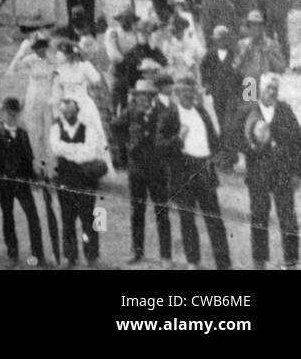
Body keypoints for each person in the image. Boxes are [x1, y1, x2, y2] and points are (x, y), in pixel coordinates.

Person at [233, 72, 301, 269]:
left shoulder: (285, 110)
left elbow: (298, 142)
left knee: (288, 219)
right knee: (259, 218)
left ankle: (290, 262)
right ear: (258, 90)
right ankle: (259, 263)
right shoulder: (247, 110)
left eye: (275, 88)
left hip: (283, 174)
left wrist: (297, 172)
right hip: (258, 175)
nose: (271, 92)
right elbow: (233, 139)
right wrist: (251, 148)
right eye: (267, 88)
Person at [112, 79, 178, 268]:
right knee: (137, 212)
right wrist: (127, 145)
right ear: (135, 97)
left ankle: (166, 256)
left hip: (158, 170)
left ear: (153, 97)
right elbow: (115, 127)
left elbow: (173, 136)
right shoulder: (130, 113)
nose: (144, 99)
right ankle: (137, 252)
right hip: (137, 170)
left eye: (148, 96)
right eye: (140, 96)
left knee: (162, 213)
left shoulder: (164, 113)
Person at [169, 76, 232, 270]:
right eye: (184, 93)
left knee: (214, 218)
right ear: (177, 94)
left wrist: (216, 156)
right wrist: (177, 139)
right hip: (182, 171)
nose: (188, 96)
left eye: (191, 92)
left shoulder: (202, 112)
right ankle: (193, 262)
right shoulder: (170, 116)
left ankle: (223, 263)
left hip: (204, 169)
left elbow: (214, 139)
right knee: (187, 219)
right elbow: (159, 146)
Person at [50, 97, 106, 268]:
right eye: (65, 112)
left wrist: (66, 149)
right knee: (67, 219)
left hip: (85, 180)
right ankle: (70, 257)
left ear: (77, 112)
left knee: (88, 218)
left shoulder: (88, 129)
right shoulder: (55, 128)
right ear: (61, 113)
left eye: (72, 112)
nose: (68, 115)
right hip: (65, 180)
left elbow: (90, 153)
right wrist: (77, 150)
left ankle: (92, 256)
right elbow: (55, 147)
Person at [0, 97, 44, 267]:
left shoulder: (23, 134)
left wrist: (35, 176)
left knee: (33, 218)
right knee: (8, 218)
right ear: (3, 113)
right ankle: (12, 254)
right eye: (9, 114)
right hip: (4, 184)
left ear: (19, 114)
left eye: (15, 114)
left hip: (22, 183)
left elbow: (28, 158)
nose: (12, 117)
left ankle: (38, 255)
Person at [50, 39, 111, 175]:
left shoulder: (84, 66)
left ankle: (92, 167)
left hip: (83, 103)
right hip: (66, 105)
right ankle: (70, 168)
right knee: (67, 134)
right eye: (60, 54)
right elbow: (56, 90)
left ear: (71, 54)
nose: (61, 57)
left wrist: (85, 79)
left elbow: (96, 79)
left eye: (64, 54)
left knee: (89, 133)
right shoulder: (59, 70)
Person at [8, 32, 57, 179]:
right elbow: (13, 68)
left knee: (48, 132)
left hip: (48, 98)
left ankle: (50, 169)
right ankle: (36, 168)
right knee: (34, 132)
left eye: (43, 47)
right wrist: (22, 50)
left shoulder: (53, 60)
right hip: (34, 98)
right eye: (37, 48)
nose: (40, 50)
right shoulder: (30, 60)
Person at [201, 25, 241, 160]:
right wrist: (207, 84)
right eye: (218, 39)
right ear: (215, 40)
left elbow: (241, 73)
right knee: (220, 119)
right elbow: (203, 68)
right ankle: (223, 151)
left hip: (232, 94)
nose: (221, 42)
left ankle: (228, 153)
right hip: (217, 93)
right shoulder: (211, 54)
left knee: (228, 123)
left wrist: (242, 92)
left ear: (227, 40)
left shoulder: (233, 54)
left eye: (223, 39)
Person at [234, 10, 287, 86]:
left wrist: (269, 54)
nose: (257, 28)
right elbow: (235, 68)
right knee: (249, 93)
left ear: (263, 27)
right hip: (249, 84)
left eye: (259, 25)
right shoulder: (242, 44)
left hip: (266, 85)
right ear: (248, 27)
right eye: (253, 25)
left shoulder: (271, 44)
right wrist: (246, 51)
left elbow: (282, 68)